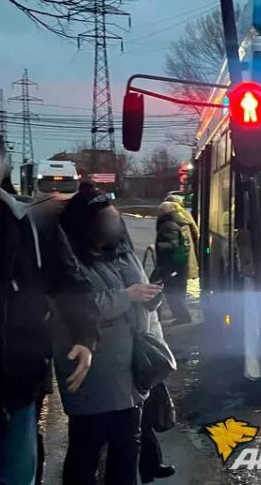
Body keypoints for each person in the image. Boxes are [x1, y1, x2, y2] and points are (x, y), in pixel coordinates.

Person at [0, 125, 99, 484]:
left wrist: (85, 336)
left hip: (16, 390)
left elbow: (71, 282)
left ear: (2, 167)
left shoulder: (30, 226)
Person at [55, 187, 168, 485]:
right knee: (85, 452)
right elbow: (80, 305)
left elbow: (140, 291)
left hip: (131, 374)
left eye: (115, 218)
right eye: (107, 219)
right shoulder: (67, 259)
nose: (114, 225)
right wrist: (128, 295)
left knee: (127, 453)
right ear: (87, 225)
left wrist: (151, 297)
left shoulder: (122, 252)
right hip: (93, 373)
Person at [155, 200, 199, 325]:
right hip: (178, 265)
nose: (158, 213)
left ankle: (183, 317)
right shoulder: (177, 222)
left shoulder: (168, 225)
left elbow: (171, 245)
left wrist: (157, 246)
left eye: (160, 211)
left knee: (173, 292)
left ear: (165, 212)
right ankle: (182, 317)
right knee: (176, 290)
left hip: (172, 265)